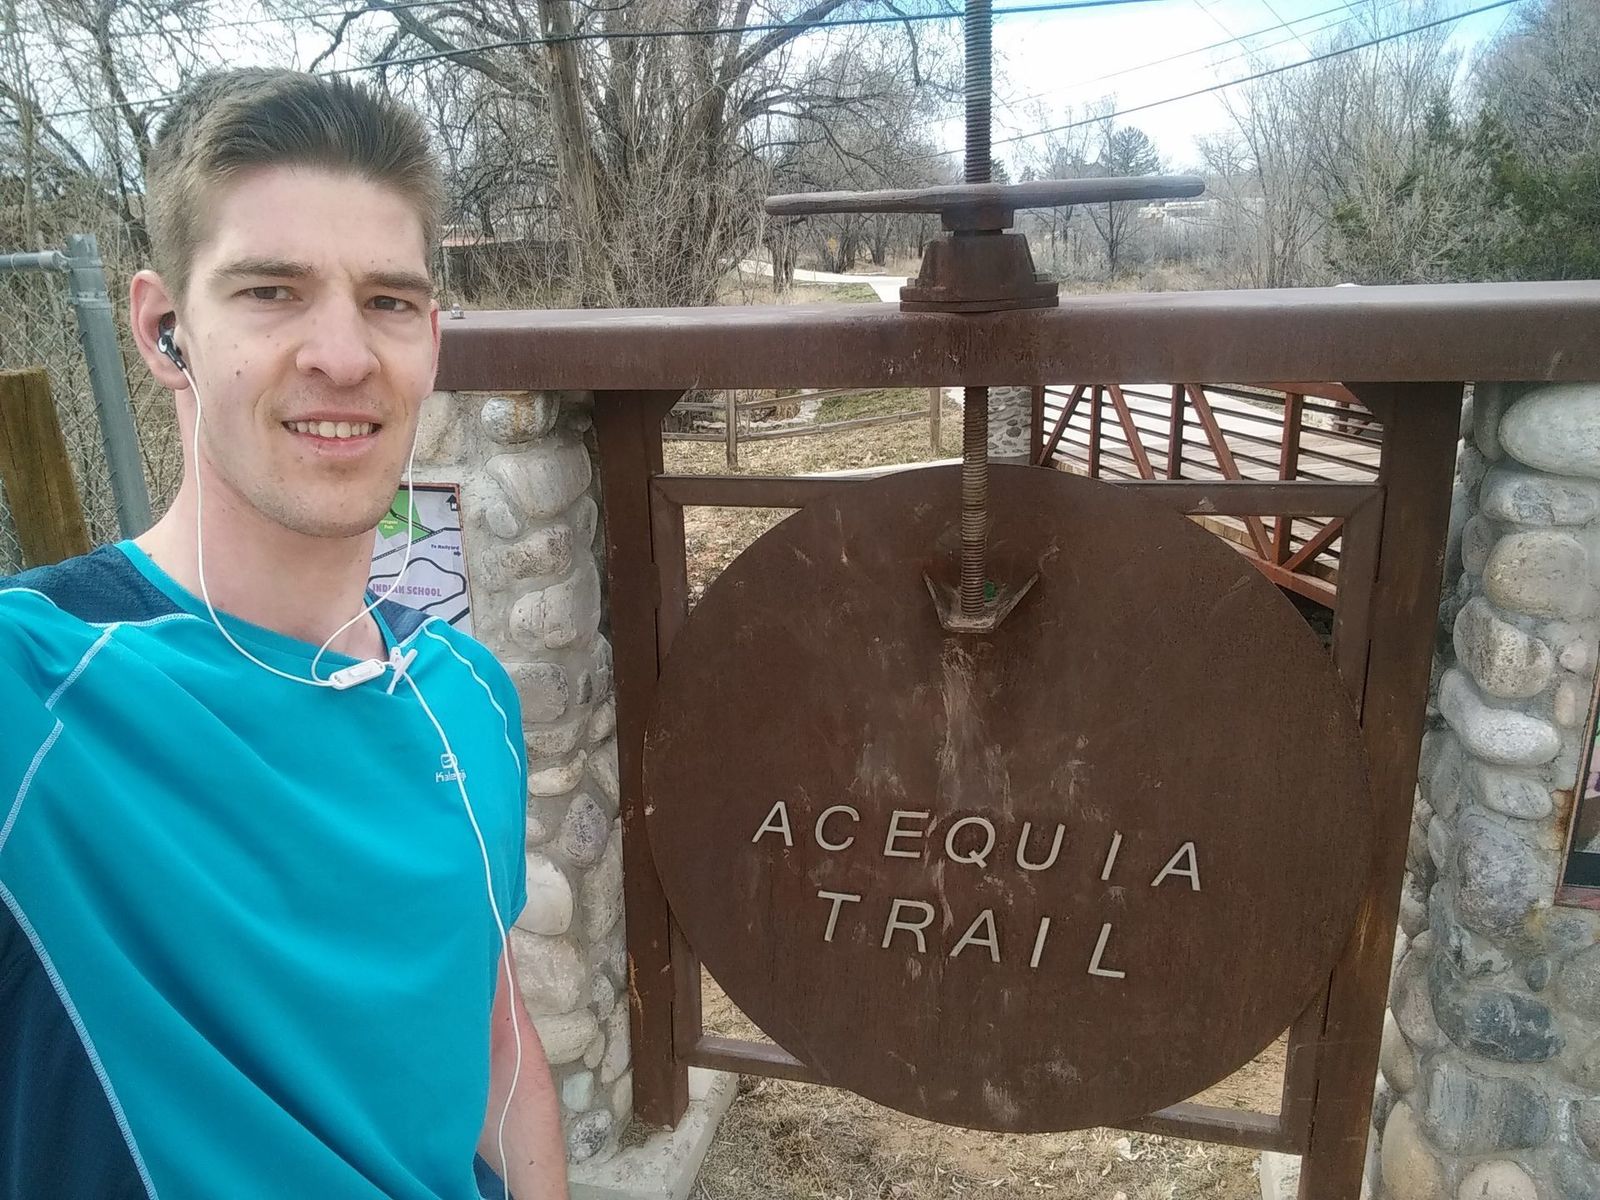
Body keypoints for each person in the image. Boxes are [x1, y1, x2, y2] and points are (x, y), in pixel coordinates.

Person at [0, 70, 566, 1200]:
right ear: (163, 328)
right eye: (272, 291)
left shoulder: (466, 693)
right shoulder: (37, 685)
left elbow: (499, 1049)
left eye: (388, 301)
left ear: (430, 341)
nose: (343, 356)